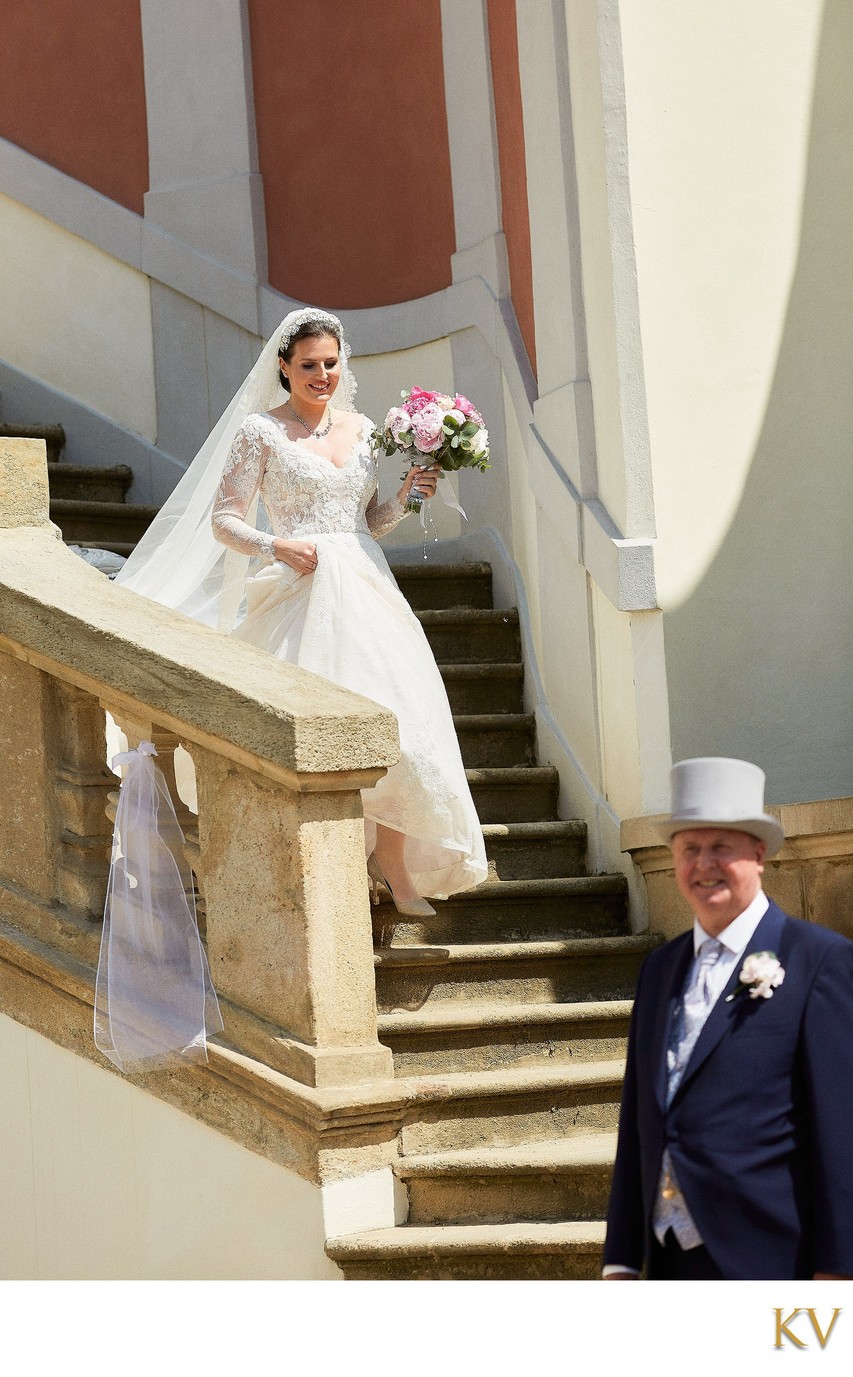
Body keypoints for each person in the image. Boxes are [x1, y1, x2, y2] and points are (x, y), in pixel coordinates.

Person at [116, 307, 488, 913]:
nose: (322, 375)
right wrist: (276, 545)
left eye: (331, 364)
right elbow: (225, 521)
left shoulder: (366, 430)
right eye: (308, 365)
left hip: (365, 586)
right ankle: (327, 860)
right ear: (284, 369)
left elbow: (367, 524)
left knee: (404, 721)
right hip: (298, 587)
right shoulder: (261, 432)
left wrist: (403, 498)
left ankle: (392, 858)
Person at [603, 756, 853, 1280]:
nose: (703, 864)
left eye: (722, 847)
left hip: (773, 1261)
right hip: (669, 1258)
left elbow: (841, 1129)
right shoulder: (659, 969)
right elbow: (639, 1119)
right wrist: (622, 1260)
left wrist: (837, 1271)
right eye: (690, 849)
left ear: (758, 855)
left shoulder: (819, 962)